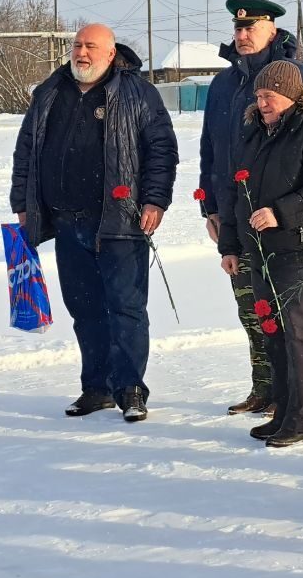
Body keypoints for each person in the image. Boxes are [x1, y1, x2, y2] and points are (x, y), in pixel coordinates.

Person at [10, 23, 178, 423]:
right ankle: (97, 387)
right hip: (67, 221)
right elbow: (26, 149)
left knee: (126, 307)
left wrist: (155, 199)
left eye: (91, 47)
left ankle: (131, 388)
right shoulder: (51, 91)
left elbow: (162, 150)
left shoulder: (138, 93)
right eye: (77, 45)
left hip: (120, 222)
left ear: (110, 52)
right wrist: (23, 202)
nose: (81, 53)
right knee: (84, 308)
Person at [198, 0, 303, 416]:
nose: (243, 35)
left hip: (282, 220)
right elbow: (210, 149)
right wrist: (210, 206)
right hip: (235, 211)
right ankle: (264, 387)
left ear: (272, 29)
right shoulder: (223, 85)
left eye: (252, 27)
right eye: (237, 28)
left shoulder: (297, 78)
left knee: (287, 317)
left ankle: (287, 397)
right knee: (251, 305)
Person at [217, 61, 303, 447]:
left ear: (292, 95)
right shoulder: (252, 134)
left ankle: (301, 420)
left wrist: (281, 212)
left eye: (270, 96)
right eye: (259, 96)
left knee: (299, 337)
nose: (263, 103)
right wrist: (229, 245)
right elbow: (233, 196)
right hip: (256, 252)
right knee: (272, 334)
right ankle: (282, 412)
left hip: (296, 250)